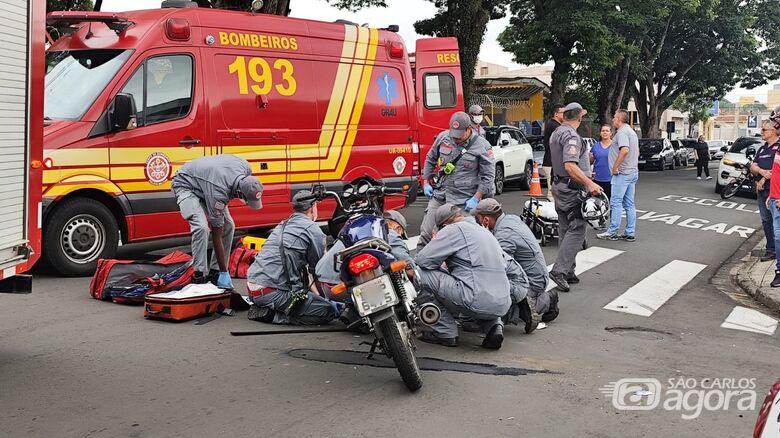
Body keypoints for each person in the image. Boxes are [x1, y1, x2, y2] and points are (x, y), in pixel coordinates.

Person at [414, 204, 511, 349]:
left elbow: (423, 261)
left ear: (444, 224)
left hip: (475, 298)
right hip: (503, 303)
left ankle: (445, 332)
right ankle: (494, 326)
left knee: (418, 274)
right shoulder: (485, 232)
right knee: (483, 283)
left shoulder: (453, 230)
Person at [245, 191, 338, 325]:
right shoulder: (313, 231)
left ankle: (269, 306)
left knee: (310, 299)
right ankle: (275, 316)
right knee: (329, 311)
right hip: (271, 292)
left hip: (253, 290)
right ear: (313, 207)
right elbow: (318, 272)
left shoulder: (282, 225)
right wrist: (325, 300)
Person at [170, 154, 263, 288]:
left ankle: (215, 271)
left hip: (207, 184)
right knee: (201, 227)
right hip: (186, 184)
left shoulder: (246, 168)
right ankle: (199, 273)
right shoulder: (219, 193)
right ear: (239, 193)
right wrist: (226, 272)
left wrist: (220, 270)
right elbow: (216, 233)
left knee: (229, 226)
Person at [474, 198, 560, 330]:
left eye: (478, 219)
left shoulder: (504, 236)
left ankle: (544, 302)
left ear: (486, 220)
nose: (478, 223)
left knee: (491, 311)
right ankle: (539, 300)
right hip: (535, 275)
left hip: (532, 281)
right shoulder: (510, 219)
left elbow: (499, 269)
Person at [418, 111, 495, 251]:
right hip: (441, 195)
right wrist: (425, 181)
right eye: (453, 134)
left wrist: (476, 198)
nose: (455, 138)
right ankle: (419, 267)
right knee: (427, 233)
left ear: (468, 129)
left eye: (459, 135)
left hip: (463, 200)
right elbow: (430, 158)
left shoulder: (482, 145)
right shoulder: (443, 138)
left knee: (464, 240)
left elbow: (488, 176)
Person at [547, 102, 602, 292]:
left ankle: (569, 270)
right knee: (578, 229)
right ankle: (560, 270)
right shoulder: (571, 136)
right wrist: (590, 183)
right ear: (579, 117)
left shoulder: (557, 133)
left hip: (559, 185)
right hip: (572, 188)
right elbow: (570, 165)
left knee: (565, 228)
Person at [315, 209, 414, 288]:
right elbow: (408, 265)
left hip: (325, 284)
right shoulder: (390, 234)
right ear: (397, 228)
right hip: (342, 283)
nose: (399, 236)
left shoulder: (357, 232)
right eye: (401, 234)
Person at [597, 109, 640, 242]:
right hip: (632, 171)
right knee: (629, 204)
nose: (613, 119)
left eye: (615, 117)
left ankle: (612, 231)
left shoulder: (622, 132)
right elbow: (635, 152)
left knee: (616, 202)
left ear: (620, 119)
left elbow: (625, 150)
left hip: (622, 173)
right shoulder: (631, 132)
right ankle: (629, 232)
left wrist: (615, 167)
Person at [753, 120, 780, 262]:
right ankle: (771, 250)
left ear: (774, 131)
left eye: (764, 129)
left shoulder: (778, 147)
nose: (762, 132)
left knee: (777, 226)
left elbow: (776, 170)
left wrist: (764, 177)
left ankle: (776, 252)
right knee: (766, 221)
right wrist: (761, 172)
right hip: (762, 191)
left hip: (774, 192)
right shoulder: (763, 148)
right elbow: (753, 166)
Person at [542, 104, 565, 201]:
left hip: (551, 161)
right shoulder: (555, 126)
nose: (565, 115)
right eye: (563, 113)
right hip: (551, 161)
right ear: (556, 114)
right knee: (552, 190)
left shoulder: (554, 125)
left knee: (553, 189)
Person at [591, 124, 613, 198]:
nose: (605, 132)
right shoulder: (595, 146)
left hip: (611, 179)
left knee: (610, 202)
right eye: (603, 131)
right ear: (600, 133)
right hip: (597, 178)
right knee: (597, 201)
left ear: (611, 133)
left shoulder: (615, 146)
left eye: (607, 131)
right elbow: (590, 161)